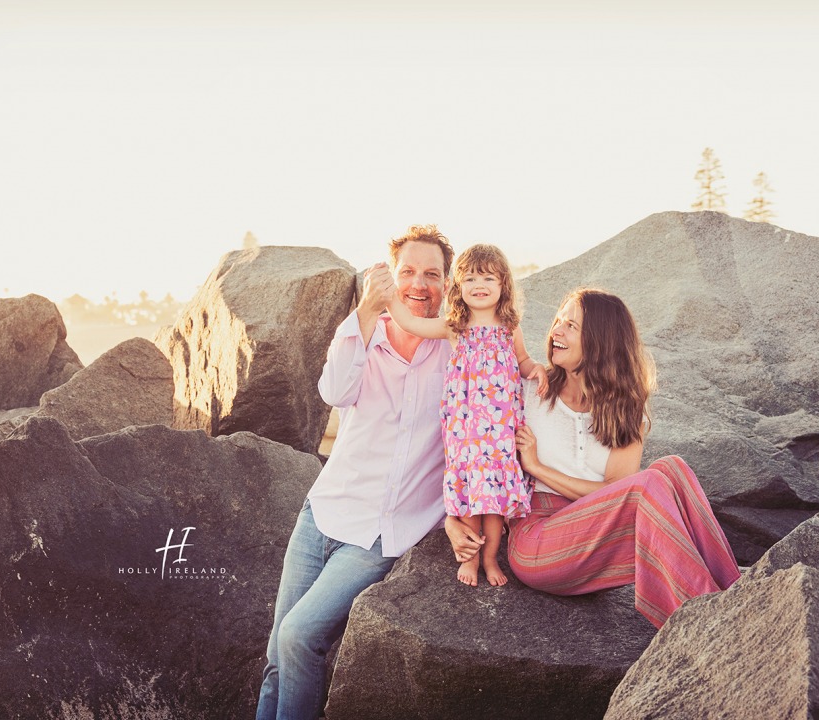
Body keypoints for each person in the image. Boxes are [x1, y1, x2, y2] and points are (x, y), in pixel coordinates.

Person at [446, 288, 740, 628]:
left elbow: (615, 491)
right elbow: (468, 450)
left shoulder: (626, 411)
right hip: (537, 540)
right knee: (650, 483)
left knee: (671, 467)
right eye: (558, 321)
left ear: (601, 340)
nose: (555, 331)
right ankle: (707, 621)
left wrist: (537, 467)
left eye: (570, 325)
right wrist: (452, 518)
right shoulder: (529, 390)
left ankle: (733, 592)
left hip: (595, 529)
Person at [256, 225, 453, 720]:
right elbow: (334, 392)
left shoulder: (458, 352)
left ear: (447, 285)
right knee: (276, 658)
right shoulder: (365, 335)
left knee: (300, 637)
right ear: (387, 276)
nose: (419, 284)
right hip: (321, 515)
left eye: (432, 274)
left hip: (379, 534)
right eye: (408, 271)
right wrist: (365, 312)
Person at [386, 243, 548, 587]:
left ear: (503, 285)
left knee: (495, 504)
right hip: (467, 431)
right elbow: (410, 323)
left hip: (502, 433)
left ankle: (491, 559)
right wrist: (384, 298)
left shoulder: (509, 327)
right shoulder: (455, 326)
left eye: (488, 278)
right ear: (458, 286)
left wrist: (537, 370)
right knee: (472, 498)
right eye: (470, 277)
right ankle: (471, 559)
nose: (479, 284)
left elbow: (523, 362)